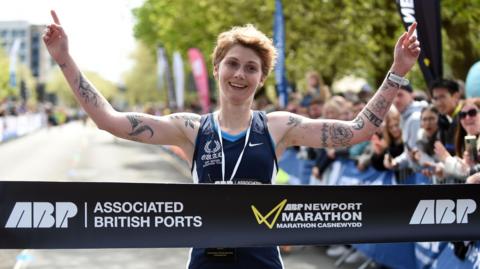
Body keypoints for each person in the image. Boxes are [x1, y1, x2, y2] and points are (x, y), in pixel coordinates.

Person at [43, 10, 420, 269]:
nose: (240, 74)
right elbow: (110, 120)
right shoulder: (190, 128)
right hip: (207, 260)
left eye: (251, 68)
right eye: (233, 64)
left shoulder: (278, 126)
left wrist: (398, 71)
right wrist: (65, 60)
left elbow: (357, 130)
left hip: (263, 261)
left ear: (261, 78)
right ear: (217, 67)